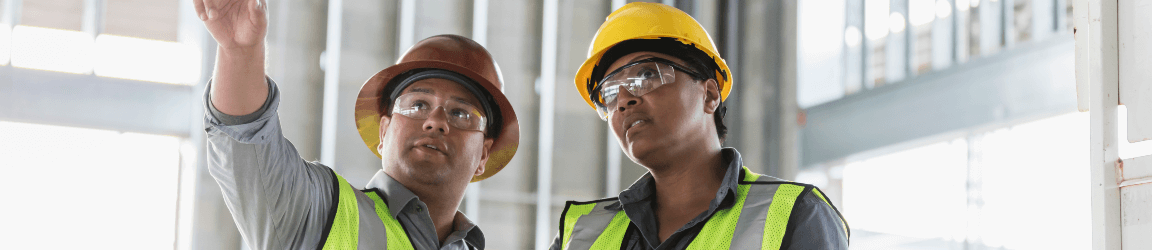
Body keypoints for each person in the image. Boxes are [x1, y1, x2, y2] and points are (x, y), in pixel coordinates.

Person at [195, 0, 519, 249]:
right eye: (418, 104)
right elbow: (249, 145)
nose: (435, 121)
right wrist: (239, 53)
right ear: (383, 132)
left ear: (483, 156)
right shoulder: (318, 213)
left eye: (460, 113)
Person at [550, 3, 848, 250]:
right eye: (610, 93)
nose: (624, 99)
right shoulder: (583, 235)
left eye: (646, 75)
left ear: (709, 94)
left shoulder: (795, 214)